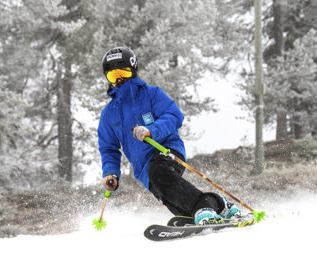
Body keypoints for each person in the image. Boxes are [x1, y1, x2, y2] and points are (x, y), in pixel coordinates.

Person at [98, 46, 240, 225]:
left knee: (160, 172)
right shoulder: (109, 114)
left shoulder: (151, 94)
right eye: (112, 75)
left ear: (133, 72)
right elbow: (108, 148)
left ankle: (204, 208)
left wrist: (152, 130)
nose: (118, 80)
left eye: (123, 73)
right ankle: (219, 205)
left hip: (166, 150)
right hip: (144, 170)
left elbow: (174, 115)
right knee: (174, 201)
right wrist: (111, 173)